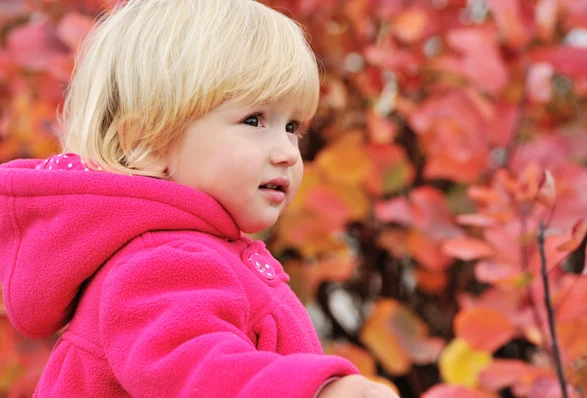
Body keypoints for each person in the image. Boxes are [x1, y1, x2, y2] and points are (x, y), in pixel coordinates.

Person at [0, 0, 400, 397]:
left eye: (292, 126)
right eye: (254, 120)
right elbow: (199, 373)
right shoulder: (164, 262)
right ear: (146, 145)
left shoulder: (187, 252)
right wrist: (315, 392)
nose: (288, 152)